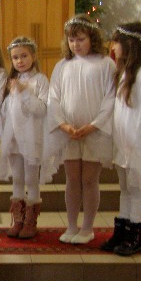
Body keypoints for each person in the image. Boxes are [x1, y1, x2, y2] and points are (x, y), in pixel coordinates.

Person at [42, 15, 116, 244]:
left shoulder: (105, 64)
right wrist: (63, 124)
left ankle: (87, 228)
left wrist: (94, 125)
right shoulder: (63, 65)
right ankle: (72, 225)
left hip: (95, 131)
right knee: (72, 179)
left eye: (81, 39)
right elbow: (53, 97)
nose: (76, 44)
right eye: (72, 40)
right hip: (69, 132)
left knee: (89, 180)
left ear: (92, 38)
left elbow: (110, 98)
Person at [100, 22, 141, 256]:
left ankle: (134, 235)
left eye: (117, 42)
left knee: (134, 189)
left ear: (130, 45)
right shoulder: (123, 73)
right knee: (124, 188)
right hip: (123, 142)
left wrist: (136, 143)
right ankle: (121, 230)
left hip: (135, 143)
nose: (113, 47)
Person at [0, 37, 49, 239]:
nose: (19, 61)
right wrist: (11, 95)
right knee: (18, 178)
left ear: (33, 56)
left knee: (30, 178)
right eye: (15, 57)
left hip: (31, 137)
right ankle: (18, 219)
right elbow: (6, 110)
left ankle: (30, 221)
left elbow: (42, 108)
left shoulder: (40, 80)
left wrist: (25, 93)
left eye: (24, 56)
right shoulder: (11, 81)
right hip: (13, 138)